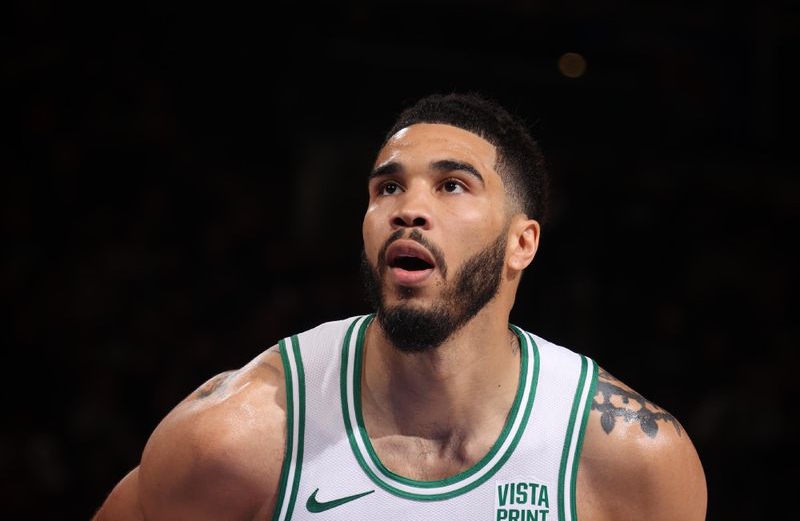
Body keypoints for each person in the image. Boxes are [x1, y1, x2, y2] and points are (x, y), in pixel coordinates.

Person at [93, 93, 707, 521]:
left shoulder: (627, 459)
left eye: (452, 185)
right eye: (388, 187)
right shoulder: (237, 438)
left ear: (523, 243)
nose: (407, 209)